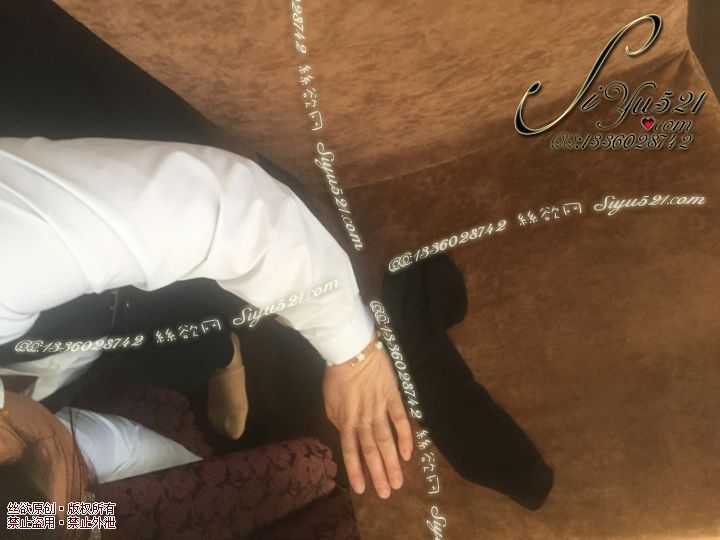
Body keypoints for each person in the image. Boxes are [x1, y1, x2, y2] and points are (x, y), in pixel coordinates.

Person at [0, 136, 413, 500]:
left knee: (203, 330)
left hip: (119, 159)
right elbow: (92, 462)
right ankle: (215, 356)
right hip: (73, 344)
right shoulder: (29, 505)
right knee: (184, 365)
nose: (84, 490)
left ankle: (222, 351)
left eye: (78, 484)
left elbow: (223, 210)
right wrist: (196, 475)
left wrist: (351, 350)